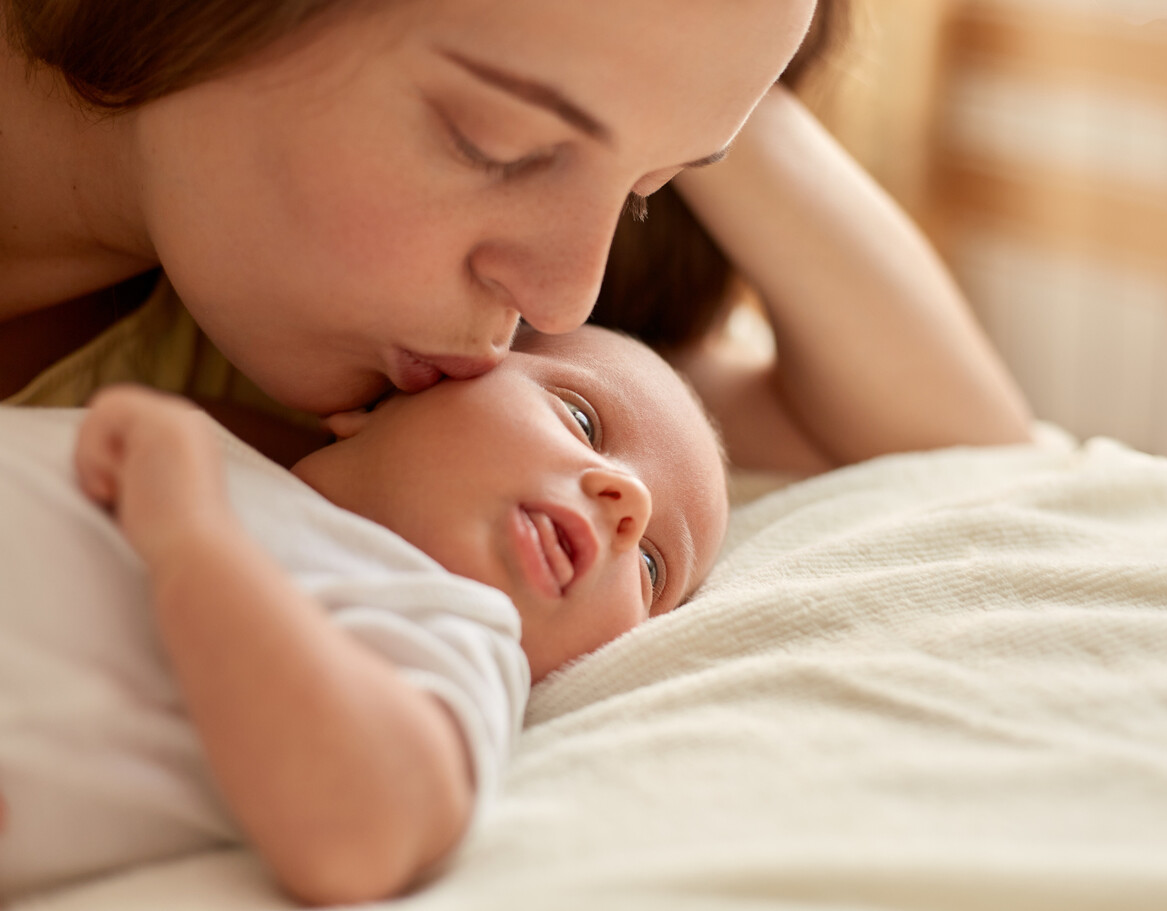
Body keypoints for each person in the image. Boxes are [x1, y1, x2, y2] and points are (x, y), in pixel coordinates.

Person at [2, 0, 1032, 475]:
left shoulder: (331, 365)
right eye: (500, 143)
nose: (561, 301)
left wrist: (698, 76)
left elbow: (950, 440)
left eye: (646, 189)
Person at [0, 324, 729, 906]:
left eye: (653, 568)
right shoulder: (217, 444)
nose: (629, 502)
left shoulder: (457, 637)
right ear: (394, 391)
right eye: (582, 418)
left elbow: (362, 830)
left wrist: (192, 538)